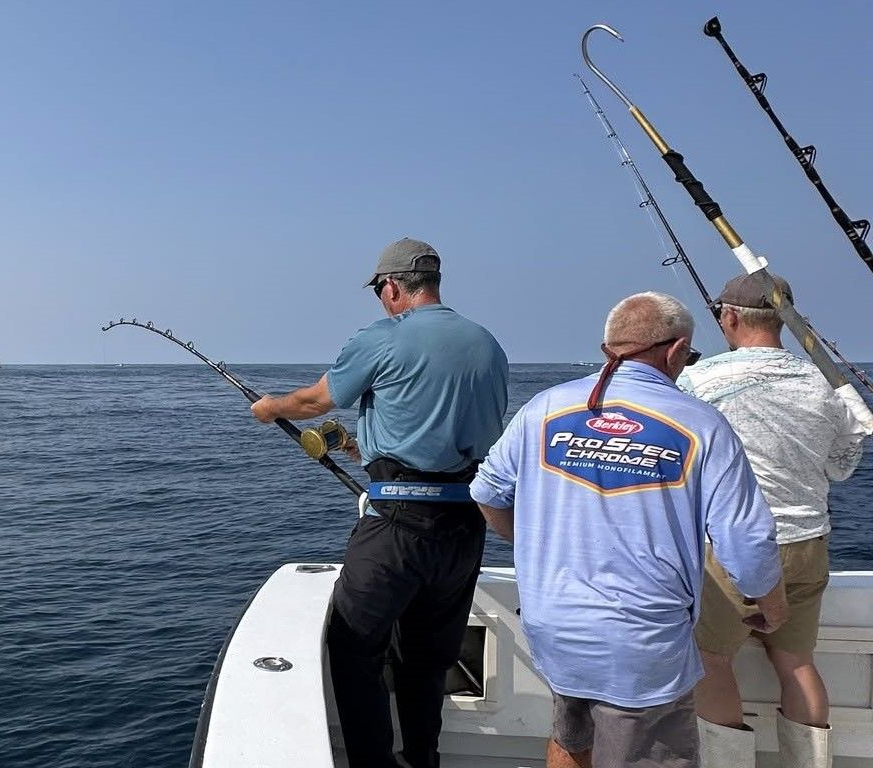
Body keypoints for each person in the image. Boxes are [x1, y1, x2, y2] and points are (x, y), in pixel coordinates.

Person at [470, 292, 789, 768]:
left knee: (571, 739)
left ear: (607, 349)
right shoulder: (702, 424)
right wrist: (772, 605)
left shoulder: (544, 407)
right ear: (677, 350)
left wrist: (533, 544)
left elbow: (487, 494)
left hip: (555, 629)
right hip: (643, 644)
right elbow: (746, 543)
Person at [251, 237, 509, 768]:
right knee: (426, 661)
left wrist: (268, 407)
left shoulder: (384, 336)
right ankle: (422, 759)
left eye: (379, 291)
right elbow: (440, 429)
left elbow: (315, 400)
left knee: (352, 648)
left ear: (392, 287)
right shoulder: (488, 345)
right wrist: (357, 444)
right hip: (464, 526)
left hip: (397, 527)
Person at [677, 274, 871, 768]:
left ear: (731, 317)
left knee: (711, 661)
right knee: (797, 663)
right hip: (808, 543)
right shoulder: (825, 385)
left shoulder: (698, 381)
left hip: (732, 549)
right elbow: (841, 467)